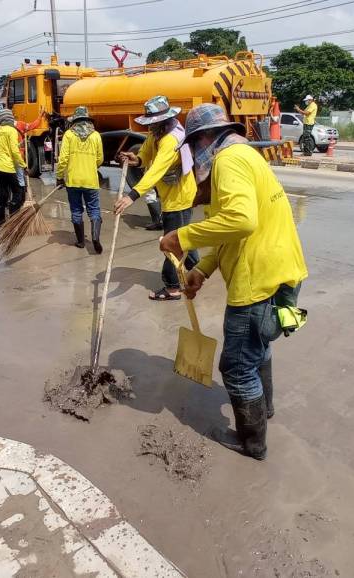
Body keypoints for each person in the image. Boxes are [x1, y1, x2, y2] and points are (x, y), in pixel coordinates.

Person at [160, 103, 308, 460]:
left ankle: (252, 443)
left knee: (236, 367)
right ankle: (265, 408)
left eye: (194, 147)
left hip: (256, 281)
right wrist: (202, 269)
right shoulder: (248, 156)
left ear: (204, 139)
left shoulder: (227, 160)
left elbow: (241, 221)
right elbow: (234, 231)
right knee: (259, 347)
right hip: (283, 272)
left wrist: (182, 236)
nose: (195, 158)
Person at [114, 95, 198, 301]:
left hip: (179, 197)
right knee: (183, 236)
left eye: (154, 122)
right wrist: (136, 159)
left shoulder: (170, 139)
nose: (150, 126)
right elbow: (146, 153)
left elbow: (156, 171)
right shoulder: (157, 133)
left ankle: (172, 287)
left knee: (170, 243)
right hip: (171, 195)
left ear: (165, 119)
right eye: (149, 122)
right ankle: (197, 268)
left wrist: (132, 196)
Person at [56, 106, 105, 253]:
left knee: (76, 210)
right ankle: (95, 237)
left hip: (73, 181)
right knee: (94, 210)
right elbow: (100, 159)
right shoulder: (96, 135)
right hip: (91, 180)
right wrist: (91, 166)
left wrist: (59, 177)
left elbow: (63, 159)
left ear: (75, 120)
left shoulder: (69, 135)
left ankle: (80, 241)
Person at [0, 109, 27, 227]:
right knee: (17, 192)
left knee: (3, 194)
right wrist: (23, 165)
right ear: (10, 119)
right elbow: (14, 151)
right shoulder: (12, 130)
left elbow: (3, 147)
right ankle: (14, 221)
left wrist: (18, 145)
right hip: (7, 167)